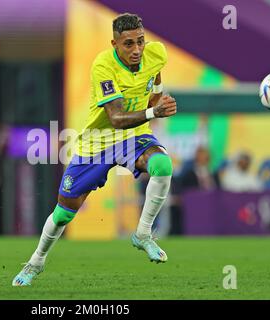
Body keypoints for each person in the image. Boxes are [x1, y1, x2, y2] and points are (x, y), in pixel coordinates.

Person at [13, 13, 177, 286]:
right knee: (65, 212)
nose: (136, 49)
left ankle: (143, 233)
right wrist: (153, 111)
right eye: (128, 44)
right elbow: (116, 118)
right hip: (98, 143)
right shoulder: (103, 65)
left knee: (163, 166)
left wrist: (158, 98)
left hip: (133, 137)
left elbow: (154, 78)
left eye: (140, 42)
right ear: (114, 43)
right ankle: (36, 262)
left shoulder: (156, 53)